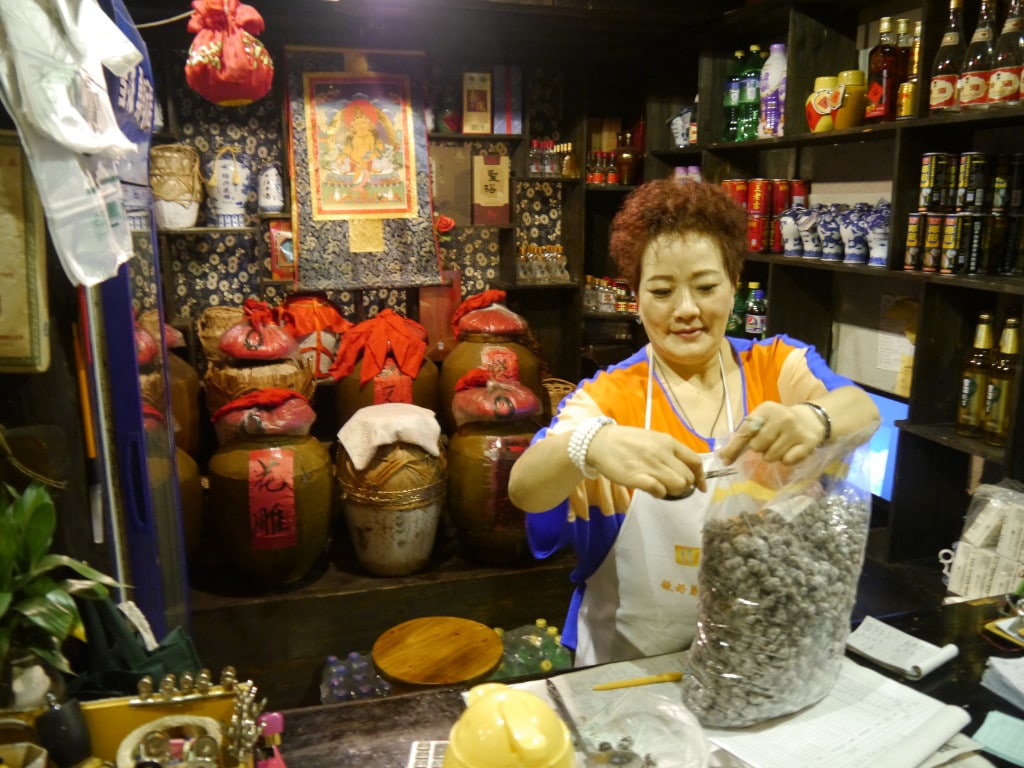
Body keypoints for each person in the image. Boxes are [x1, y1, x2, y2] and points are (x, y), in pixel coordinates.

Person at [507, 179, 880, 667]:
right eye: (662, 291)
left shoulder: (777, 366)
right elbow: (525, 488)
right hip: (631, 667)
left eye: (706, 287)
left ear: (733, 284)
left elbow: (864, 413)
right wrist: (587, 446)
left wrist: (815, 419)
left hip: (764, 660)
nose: (686, 310)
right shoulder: (610, 396)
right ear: (636, 298)